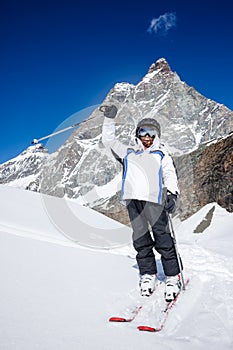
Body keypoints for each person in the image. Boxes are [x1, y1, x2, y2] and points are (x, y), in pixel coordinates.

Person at [100, 104, 182, 302]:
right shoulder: (128, 153)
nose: (146, 136)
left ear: (157, 135)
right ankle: (148, 274)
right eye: (142, 132)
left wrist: (172, 194)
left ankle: (172, 276)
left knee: (163, 239)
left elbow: (170, 175)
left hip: (155, 202)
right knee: (141, 239)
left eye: (151, 133)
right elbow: (108, 141)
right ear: (137, 134)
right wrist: (110, 118)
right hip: (133, 201)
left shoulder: (161, 154)